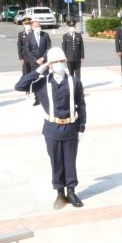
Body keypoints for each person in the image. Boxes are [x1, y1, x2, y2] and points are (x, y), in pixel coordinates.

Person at [14, 47, 87, 209]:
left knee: (70, 161)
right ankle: (60, 193)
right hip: (52, 128)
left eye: (61, 61)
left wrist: (81, 127)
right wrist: (39, 69)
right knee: (56, 161)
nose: (59, 64)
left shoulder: (74, 82)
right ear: (50, 65)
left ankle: (71, 192)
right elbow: (19, 86)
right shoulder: (41, 83)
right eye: (55, 62)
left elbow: (81, 105)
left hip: (70, 127)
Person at [22, 20, 52, 105]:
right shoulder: (29, 36)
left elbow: (49, 48)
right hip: (34, 63)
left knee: (45, 79)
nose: (38, 27)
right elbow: (28, 50)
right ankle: (37, 99)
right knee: (35, 80)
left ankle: (46, 98)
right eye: (36, 26)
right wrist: (36, 60)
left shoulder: (45, 35)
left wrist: (43, 58)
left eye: (39, 26)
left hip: (44, 62)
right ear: (32, 27)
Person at [17, 19, 32, 93]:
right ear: (23, 25)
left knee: (34, 72)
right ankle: (27, 88)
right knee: (26, 73)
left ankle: (34, 87)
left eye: (29, 23)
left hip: (34, 57)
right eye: (26, 24)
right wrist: (21, 58)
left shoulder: (34, 32)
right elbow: (19, 46)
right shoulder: (21, 34)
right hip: (25, 57)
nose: (28, 25)